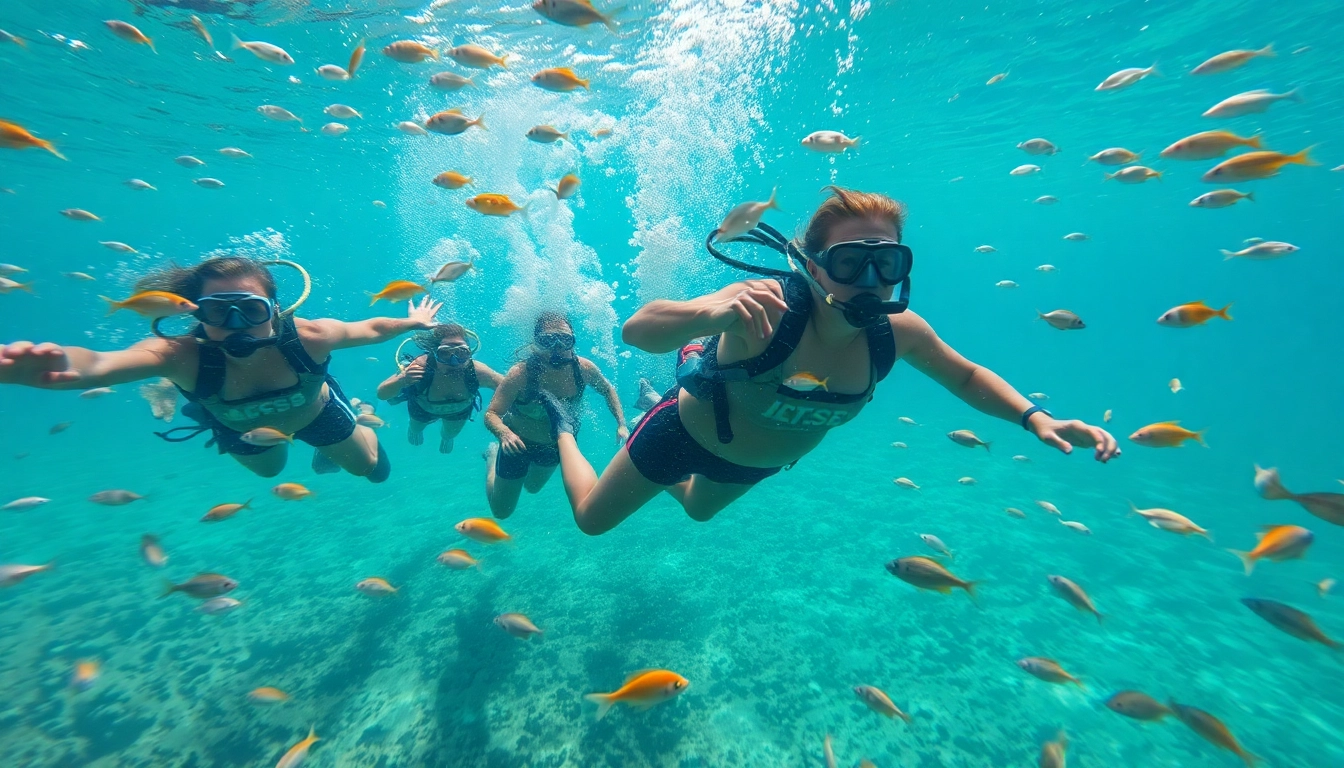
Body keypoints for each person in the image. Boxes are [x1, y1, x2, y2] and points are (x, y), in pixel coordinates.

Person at [541, 186, 1121, 535]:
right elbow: (637, 329)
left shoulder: (899, 333)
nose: (870, 281)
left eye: (886, 262)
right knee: (592, 520)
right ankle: (567, 430)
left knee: (697, 511)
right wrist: (710, 315)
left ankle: (665, 409)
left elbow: (965, 375)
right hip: (683, 432)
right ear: (812, 266)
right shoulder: (762, 307)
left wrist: (1033, 416)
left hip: (757, 462)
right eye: (849, 262)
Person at [0, 256, 441, 482]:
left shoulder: (309, 336)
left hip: (315, 411)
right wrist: (58, 365)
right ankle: (187, 400)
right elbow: (99, 363)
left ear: (274, 309)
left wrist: (413, 322)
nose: (234, 326)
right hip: (243, 428)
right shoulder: (178, 354)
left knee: (372, 471)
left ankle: (352, 423)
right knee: (270, 471)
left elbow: (369, 327)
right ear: (196, 312)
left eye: (249, 310)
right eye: (217, 311)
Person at [483, 312, 627, 518]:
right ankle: (492, 458)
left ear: (573, 342)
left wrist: (621, 423)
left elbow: (607, 390)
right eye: (548, 340)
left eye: (565, 340)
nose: (557, 348)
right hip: (515, 445)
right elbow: (492, 413)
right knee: (501, 512)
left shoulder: (584, 369)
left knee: (532, 487)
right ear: (536, 343)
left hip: (553, 447)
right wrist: (504, 434)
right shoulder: (520, 374)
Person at [376, 323, 503, 453]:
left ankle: (446, 438)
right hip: (421, 409)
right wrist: (402, 380)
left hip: (458, 412)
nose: (454, 361)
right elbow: (381, 394)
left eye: (461, 353)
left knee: (450, 434)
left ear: (469, 353)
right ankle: (415, 430)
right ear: (434, 353)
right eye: (445, 354)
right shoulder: (419, 368)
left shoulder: (478, 372)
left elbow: (508, 388)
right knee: (416, 427)